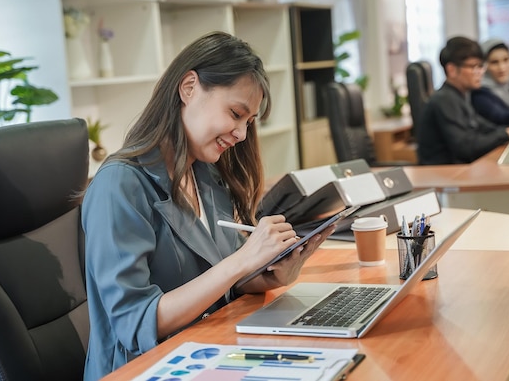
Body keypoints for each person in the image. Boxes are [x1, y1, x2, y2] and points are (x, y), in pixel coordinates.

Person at [81, 31, 334, 380]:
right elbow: (136, 322)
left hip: (207, 351)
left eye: (248, 122)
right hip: (147, 368)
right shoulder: (119, 185)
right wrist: (241, 260)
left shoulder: (206, 176)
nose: (242, 134)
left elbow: (219, 285)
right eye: (235, 113)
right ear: (189, 88)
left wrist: (269, 275)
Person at [416, 36, 509, 165]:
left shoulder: (461, 95)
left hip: (457, 173)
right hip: (444, 177)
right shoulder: (445, 99)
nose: (480, 72)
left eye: (481, 66)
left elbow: (484, 127)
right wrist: (505, 133)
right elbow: (466, 147)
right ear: (451, 69)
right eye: (474, 67)